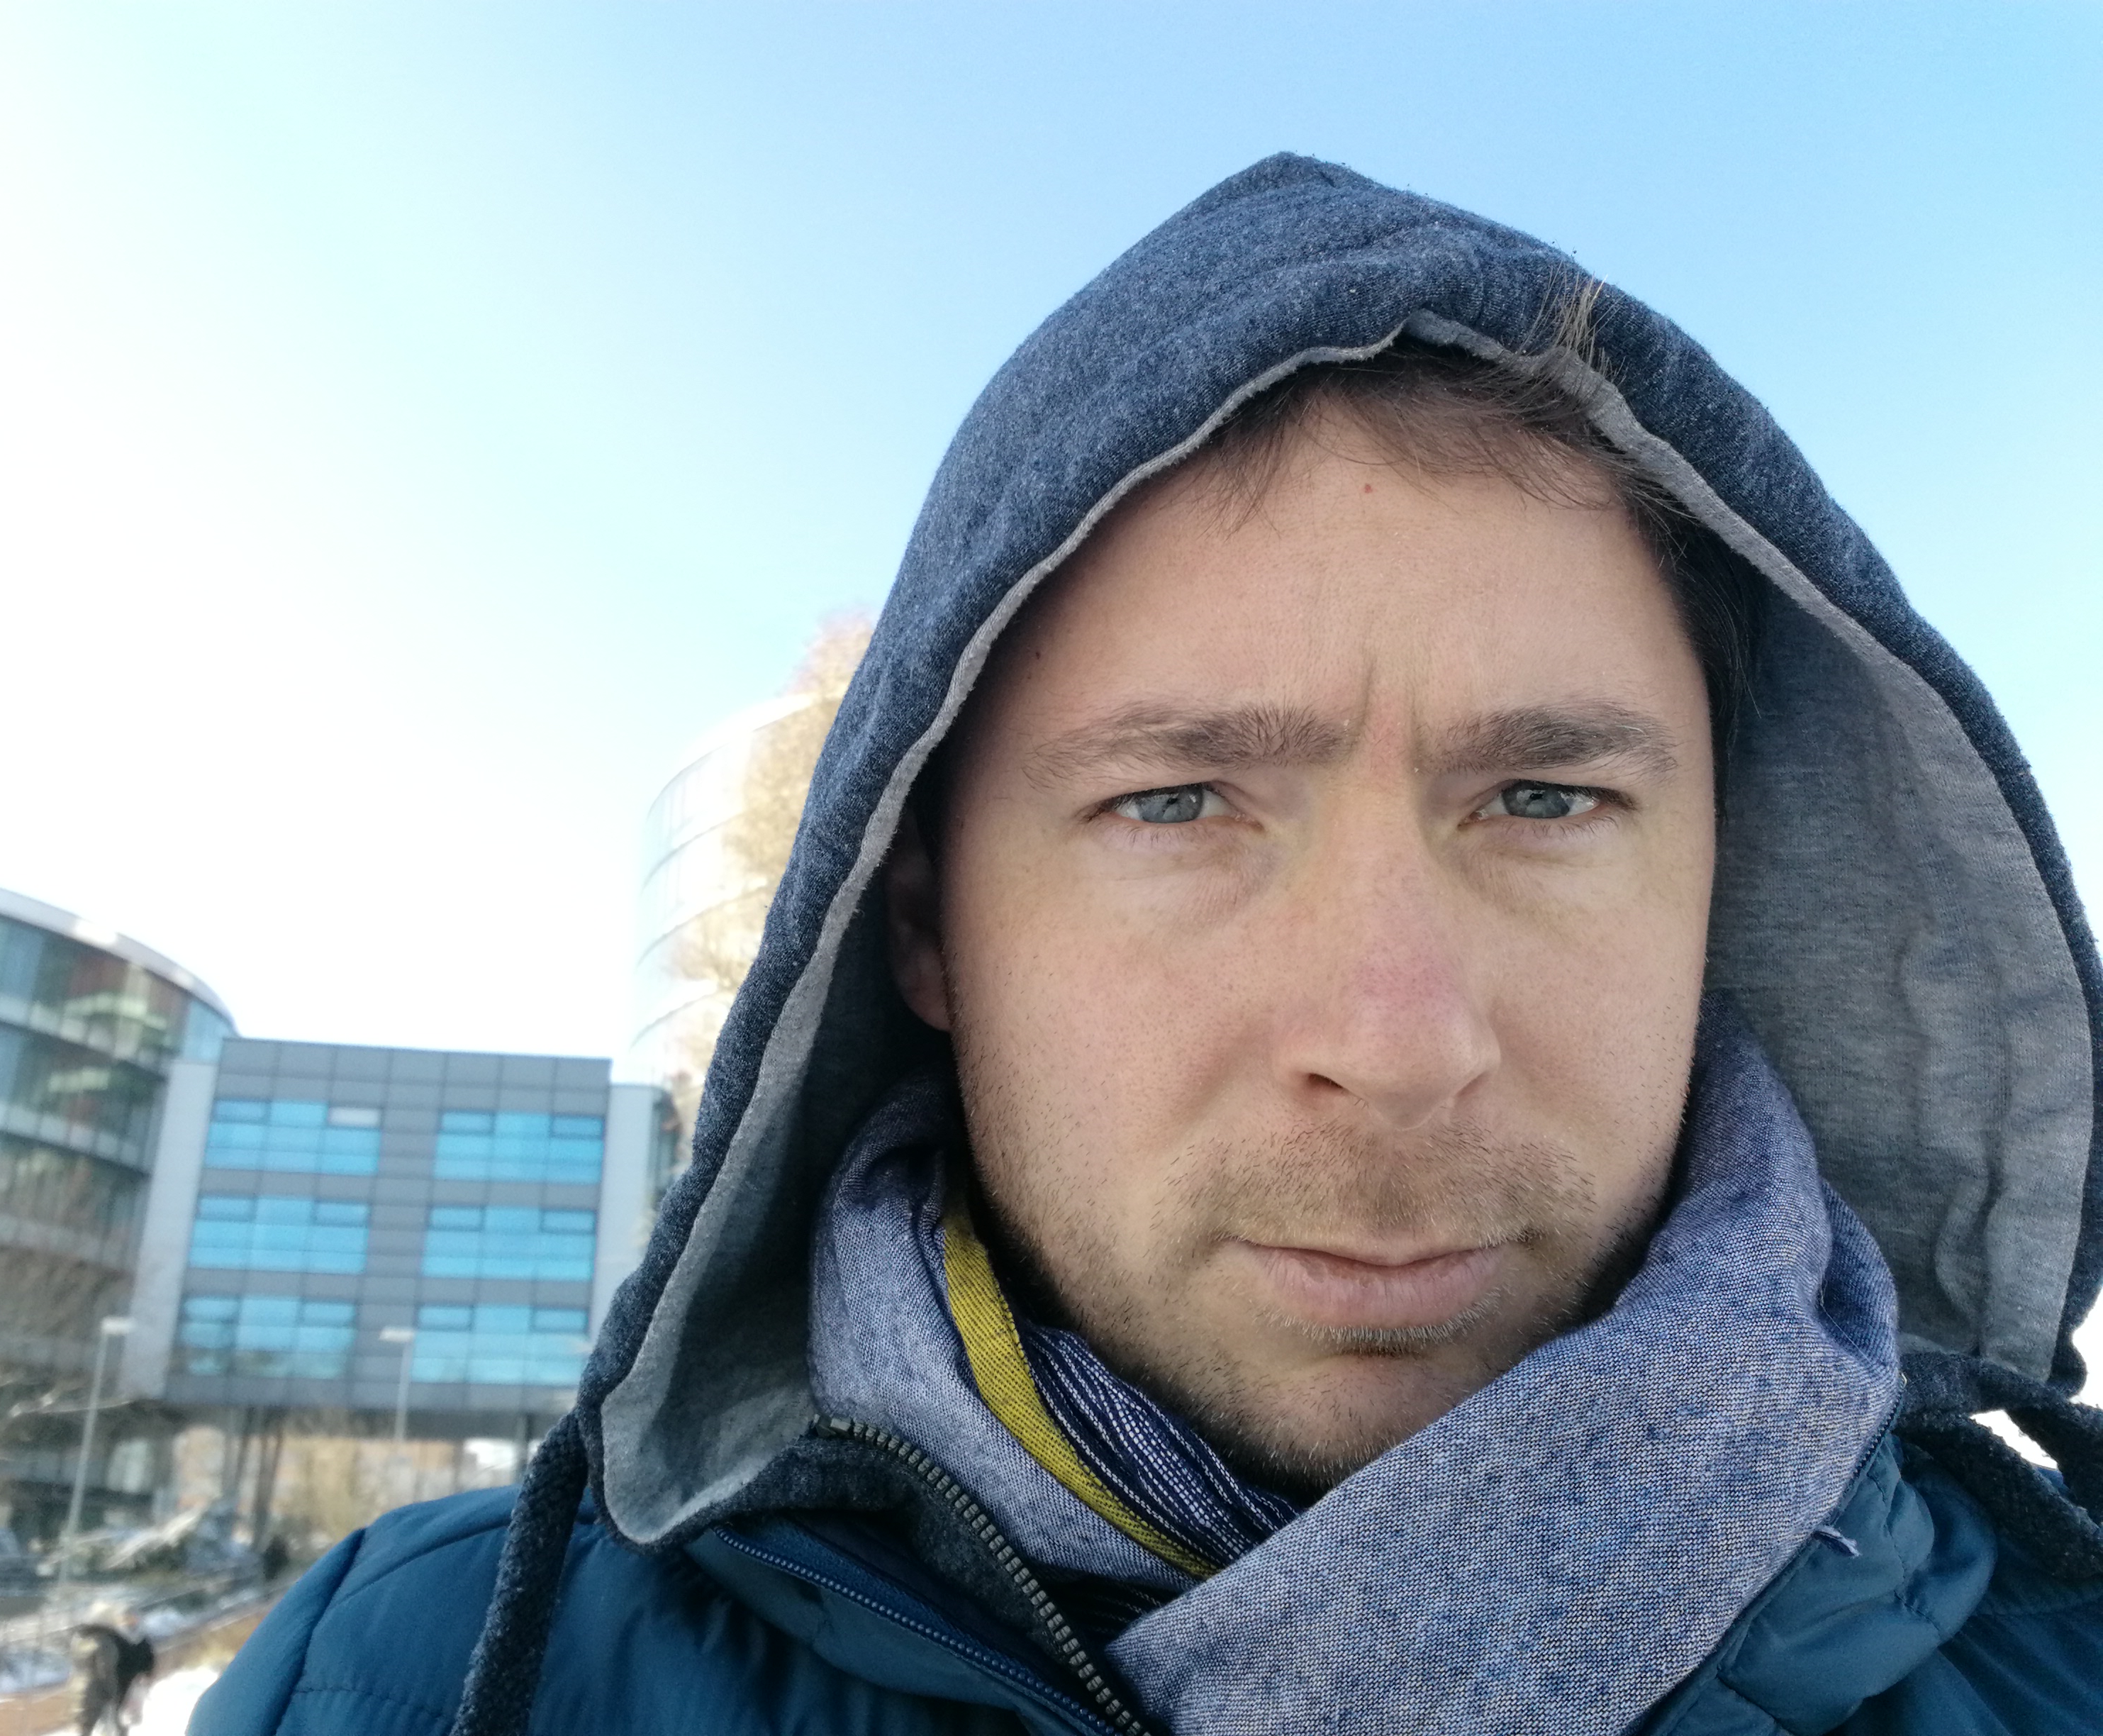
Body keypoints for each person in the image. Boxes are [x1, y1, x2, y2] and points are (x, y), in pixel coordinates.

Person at [195, 157, 2102, 1735]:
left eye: (1544, 797)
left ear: (1725, 888)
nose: (1396, 1036)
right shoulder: (420, 1680)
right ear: (929, 928)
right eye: (1178, 802)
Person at [72, 1610, 156, 1735]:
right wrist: (112, 1689)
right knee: (110, 1722)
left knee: (117, 1722)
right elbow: (107, 1666)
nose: (130, 1621)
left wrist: (146, 1673)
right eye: (126, 1618)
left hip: (127, 1684)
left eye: (132, 1618)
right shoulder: (113, 1638)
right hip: (116, 1684)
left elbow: (149, 1658)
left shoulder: (141, 1638)